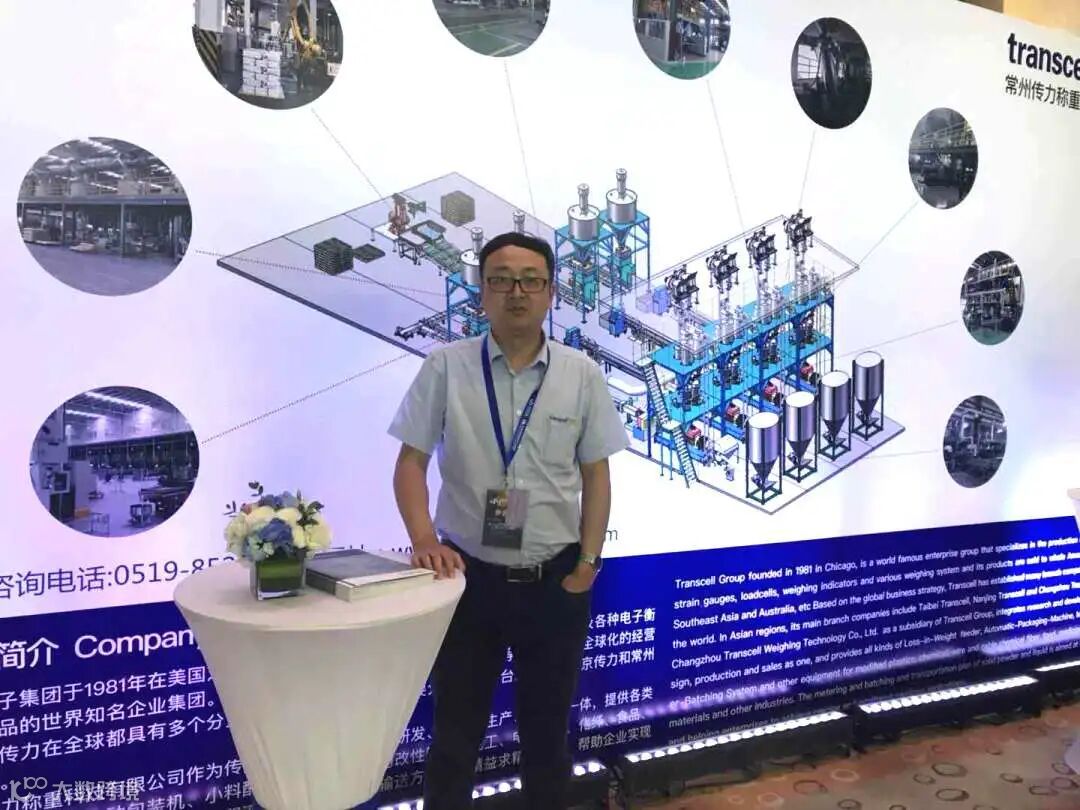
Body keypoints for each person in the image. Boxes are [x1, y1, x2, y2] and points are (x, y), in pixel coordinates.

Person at [388, 231, 629, 809]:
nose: (516, 292)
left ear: (551, 292)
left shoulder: (581, 373)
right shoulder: (446, 367)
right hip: (468, 582)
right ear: (482, 290)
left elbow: (596, 475)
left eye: (530, 280)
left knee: (547, 737)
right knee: (455, 736)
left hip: (555, 582)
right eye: (500, 279)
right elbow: (409, 464)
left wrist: (588, 564)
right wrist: (423, 539)